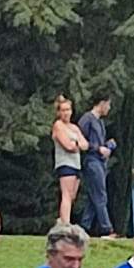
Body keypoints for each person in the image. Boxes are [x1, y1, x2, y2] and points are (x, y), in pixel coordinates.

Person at [75, 96, 117, 239]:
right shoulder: (87, 119)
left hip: (100, 162)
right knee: (100, 194)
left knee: (93, 197)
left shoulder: (100, 122)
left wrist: (108, 146)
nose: (109, 108)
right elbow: (80, 139)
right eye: (108, 105)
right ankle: (107, 228)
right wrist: (97, 148)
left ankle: (84, 227)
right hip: (92, 161)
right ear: (102, 103)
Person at [50, 96, 88, 225]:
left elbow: (85, 144)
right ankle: (65, 224)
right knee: (66, 194)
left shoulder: (74, 127)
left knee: (72, 196)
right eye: (63, 110)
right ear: (58, 112)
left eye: (68, 109)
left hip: (76, 164)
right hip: (65, 163)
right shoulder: (58, 125)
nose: (66, 113)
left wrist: (76, 144)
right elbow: (68, 145)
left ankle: (62, 220)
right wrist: (77, 144)